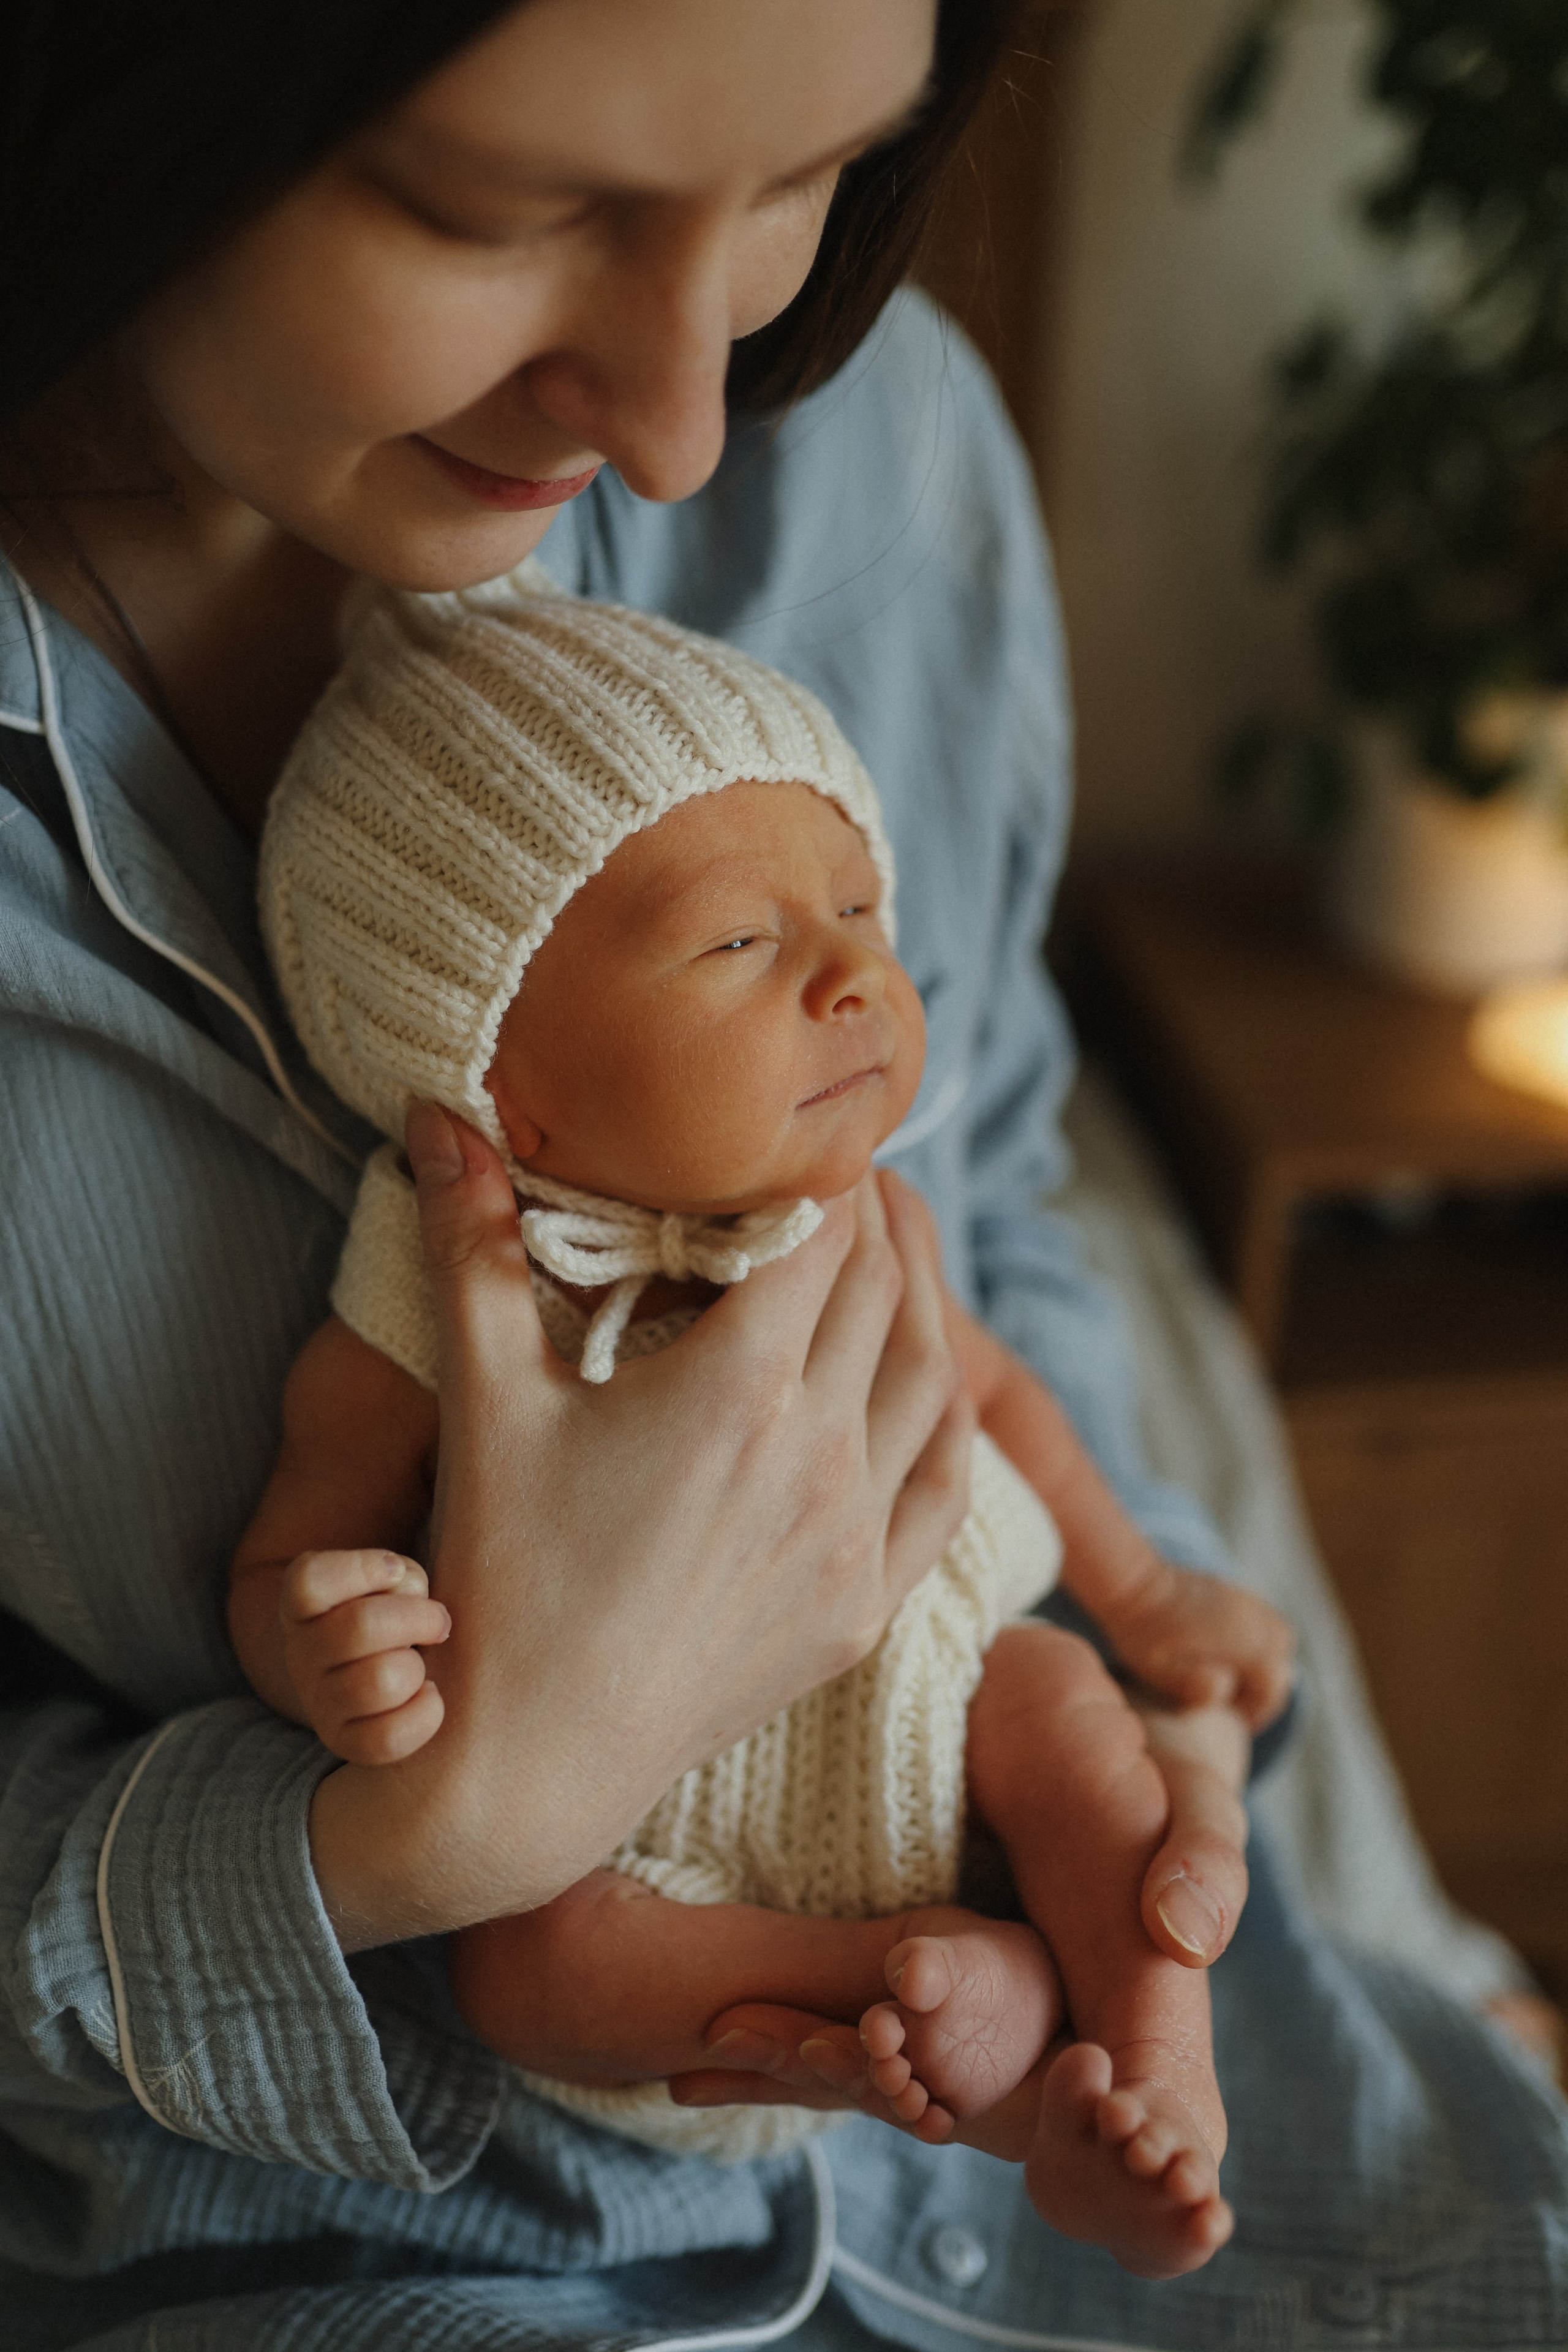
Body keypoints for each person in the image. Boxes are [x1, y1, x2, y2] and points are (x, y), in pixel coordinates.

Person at [2, 3, 1566, 2346]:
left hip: (1100, 1993)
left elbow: (1010, 1220)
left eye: (800, 178)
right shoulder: (431, 1263)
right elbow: (314, 1535)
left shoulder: (879, 455)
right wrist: (432, 1824)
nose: (687, 416)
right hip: (380, 2221)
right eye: (500, 204)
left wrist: (1187, 1711)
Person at [232, 582, 1298, 2274]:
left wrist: (1146, 1589)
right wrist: (325, 1649)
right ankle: (944, 2014)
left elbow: (1001, 1393)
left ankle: (1153, 2052)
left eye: (862, 909)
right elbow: (302, 1533)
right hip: (623, 1825)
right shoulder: (436, 1288)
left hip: (941, 1718)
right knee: (520, 1966)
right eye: (744, 940)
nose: (857, 977)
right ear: (504, 1083)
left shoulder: (866, 1219)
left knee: (1065, 1708)